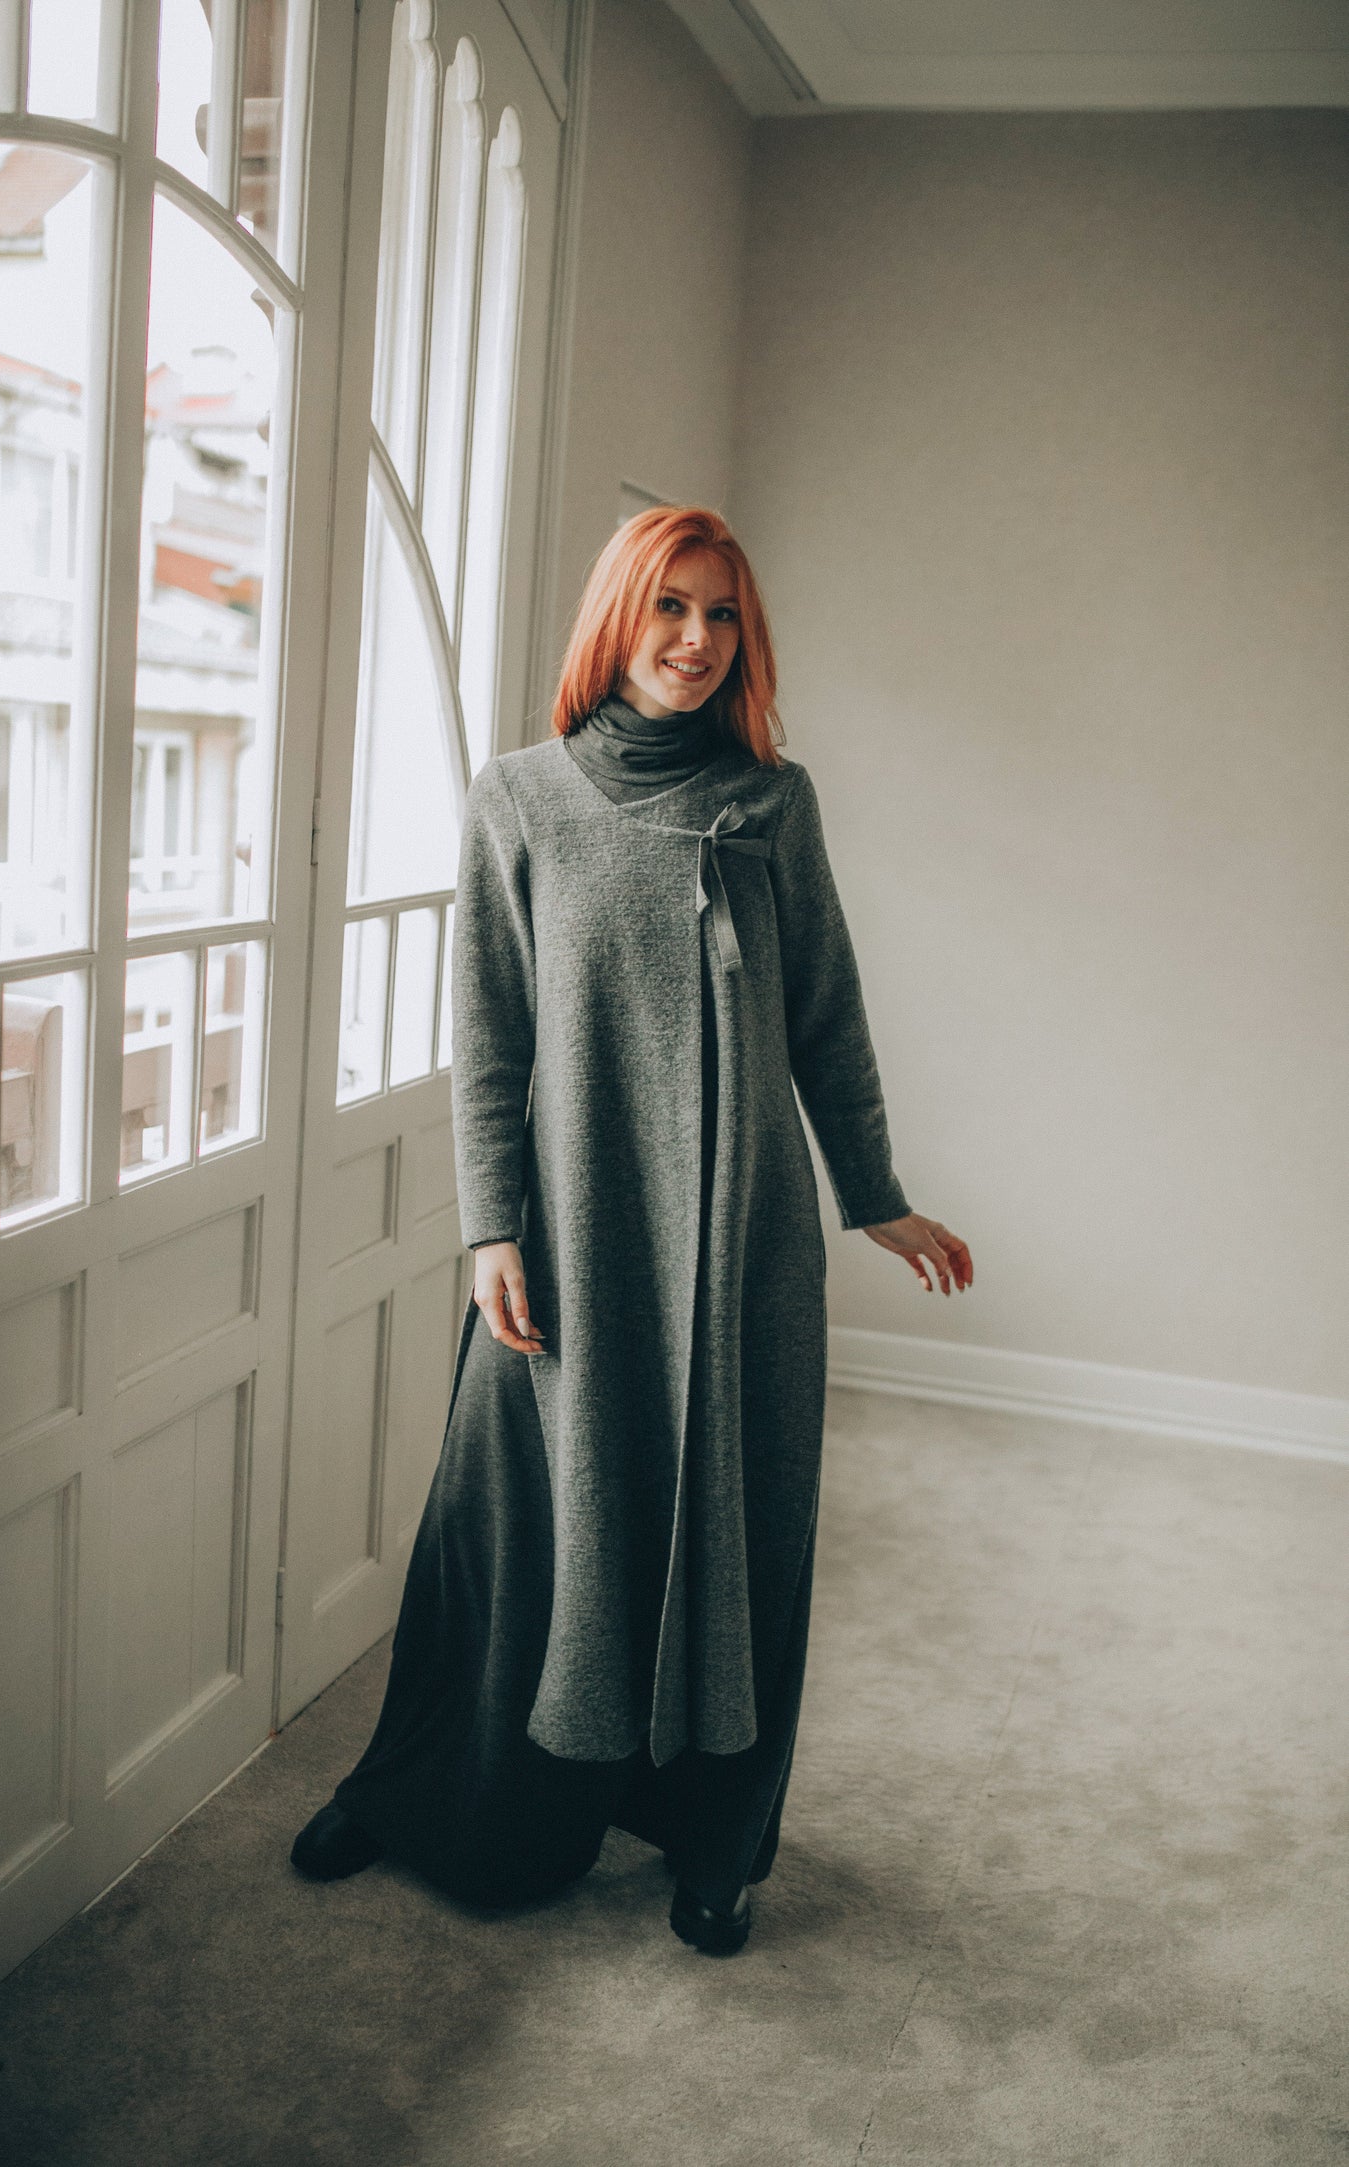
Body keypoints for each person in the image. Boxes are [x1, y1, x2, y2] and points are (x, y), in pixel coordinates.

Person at [291, 504, 972, 1955]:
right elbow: (488, 1033)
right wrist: (490, 1232)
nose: (693, 640)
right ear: (618, 613)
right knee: (509, 1537)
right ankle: (432, 1799)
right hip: (570, 1241)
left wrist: (875, 1196)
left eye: (721, 615)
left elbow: (825, 1021)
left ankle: (712, 1848)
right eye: (669, 605)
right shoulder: (520, 798)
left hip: (738, 1255)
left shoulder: (771, 804)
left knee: (733, 1549)